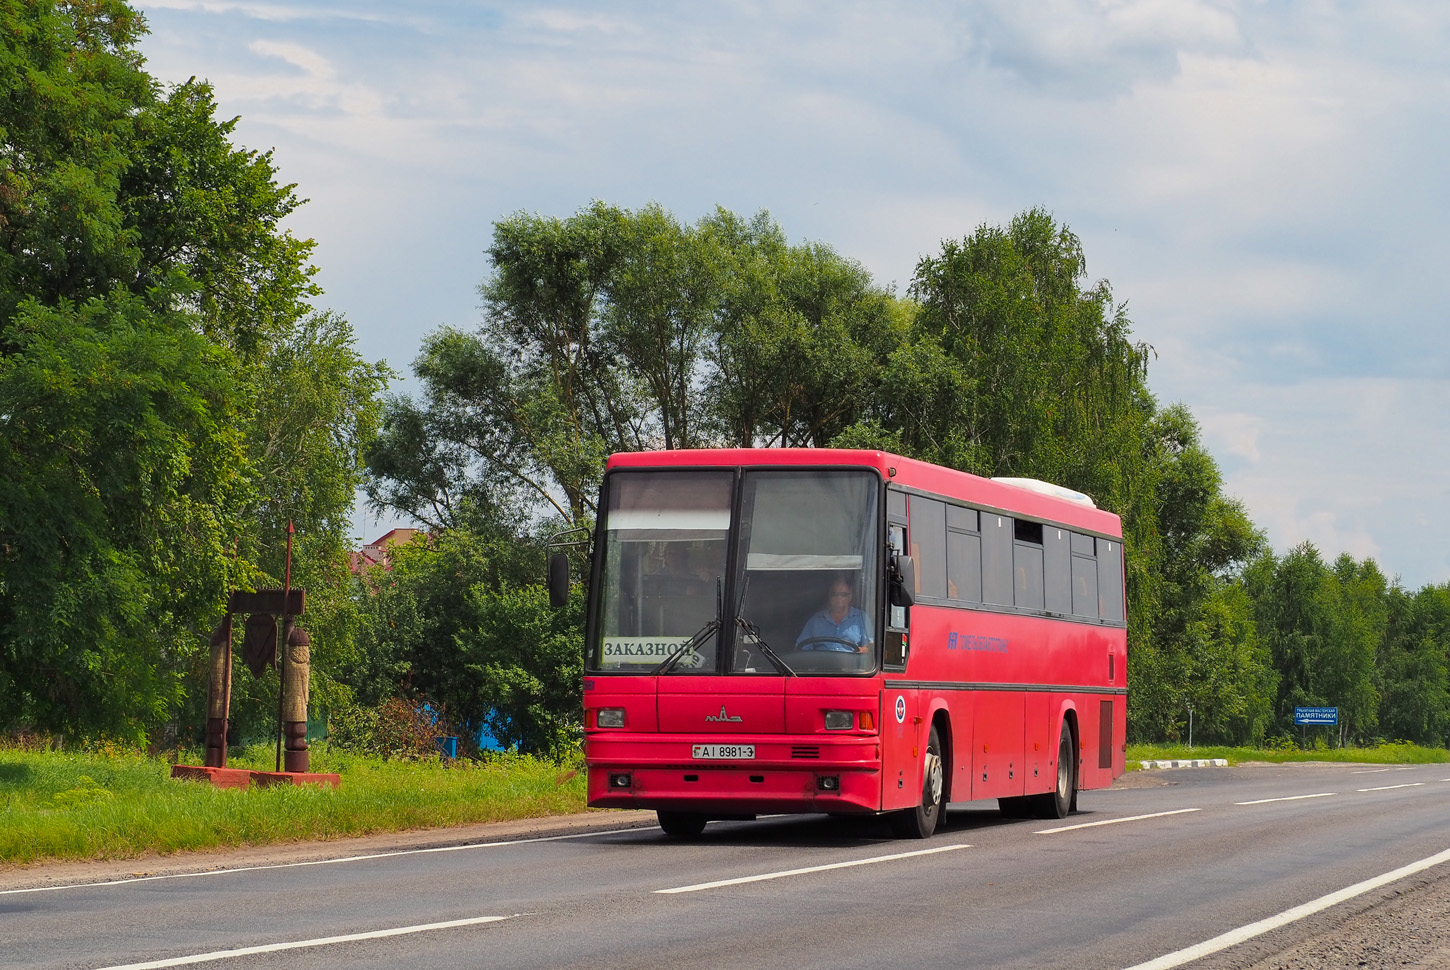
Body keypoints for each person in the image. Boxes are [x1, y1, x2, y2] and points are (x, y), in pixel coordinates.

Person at [796, 576, 874, 652]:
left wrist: (861, 650)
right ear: (829, 596)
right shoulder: (816, 619)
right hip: (820, 664)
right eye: (835, 594)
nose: (839, 598)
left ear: (850, 597)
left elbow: (870, 647)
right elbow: (800, 648)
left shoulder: (861, 618)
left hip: (850, 664)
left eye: (843, 594)